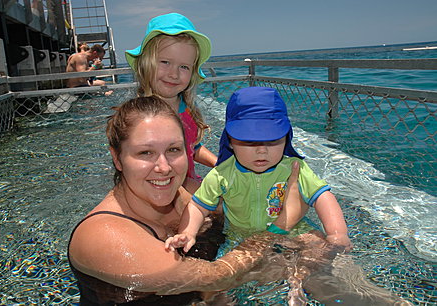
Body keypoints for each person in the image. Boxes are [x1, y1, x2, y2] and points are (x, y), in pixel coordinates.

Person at [67, 95, 310, 305]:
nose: (164, 167)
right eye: (145, 153)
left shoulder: (188, 193)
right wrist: (279, 226)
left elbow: (242, 214)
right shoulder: (104, 233)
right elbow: (216, 275)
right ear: (117, 158)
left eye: (174, 150)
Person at [165, 87, 352, 255]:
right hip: (239, 237)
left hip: (294, 231)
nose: (262, 150)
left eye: (272, 140)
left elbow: (323, 197)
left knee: (317, 252)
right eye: (249, 141)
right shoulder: (222, 174)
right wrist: (188, 233)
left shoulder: (294, 168)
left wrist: (337, 234)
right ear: (230, 141)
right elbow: (198, 206)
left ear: (287, 138)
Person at [125, 13, 217, 193]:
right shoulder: (142, 119)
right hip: (162, 189)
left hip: (187, 185)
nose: (174, 74)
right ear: (145, 64)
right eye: (165, 62)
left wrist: (217, 163)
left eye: (184, 67)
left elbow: (192, 147)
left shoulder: (186, 109)